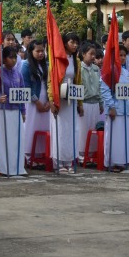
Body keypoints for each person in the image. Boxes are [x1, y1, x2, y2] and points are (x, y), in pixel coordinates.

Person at [0, 45, 28, 176]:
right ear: (4, 59)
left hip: (16, 111)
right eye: (11, 57)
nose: (14, 60)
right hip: (2, 111)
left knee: (17, 140)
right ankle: (4, 168)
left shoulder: (18, 73)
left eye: (15, 57)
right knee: (3, 140)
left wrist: (23, 111)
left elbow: (22, 93)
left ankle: (18, 167)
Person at [101, 44, 129, 172]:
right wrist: (111, 106)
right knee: (113, 138)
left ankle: (122, 161)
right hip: (115, 110)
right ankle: (111, 162)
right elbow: (104, 90)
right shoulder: (108, 71)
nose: (122, 58)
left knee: (124, 138)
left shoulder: (126, 72)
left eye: (124, 55)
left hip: (126, 110)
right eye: (120, 55)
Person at [50, 32, 81, 173]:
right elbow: (50, 81)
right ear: (64, 43)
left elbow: (78, 81)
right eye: (72, 42)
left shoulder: (76, 61)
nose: (75, 45)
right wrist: (52, 100)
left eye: (76, 43)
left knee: (71, 130)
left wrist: (80, 103)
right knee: (60, 130)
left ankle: (69, 161)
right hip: (60, 98)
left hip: (72, 98)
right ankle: (58, 162)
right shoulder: (57, 60)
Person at [20, 40, 50, 168]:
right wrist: (36, 102)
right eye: (37, 51)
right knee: (31, 127)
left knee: (43, 127)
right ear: (31, 52)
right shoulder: (25, 65)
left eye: (42, 51)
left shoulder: (46, 65)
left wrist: (49, 101)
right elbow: (25, 85)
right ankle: (28, 155)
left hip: (45, 98)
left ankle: (40, 154)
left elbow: (49, 83)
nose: (40, 53)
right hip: (32, 101)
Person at [77, 43, 104, 165]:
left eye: (94, 54)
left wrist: (100, 102)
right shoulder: (79, 68)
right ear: (83, 54)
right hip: (84, 102)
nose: (93, 56)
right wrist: (79, 104)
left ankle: (91, 154)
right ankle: (81, 154)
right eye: (90, 54)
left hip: (95, 102)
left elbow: (99, 86)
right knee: (83, 130)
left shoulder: (96, 68)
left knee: (93, 129)